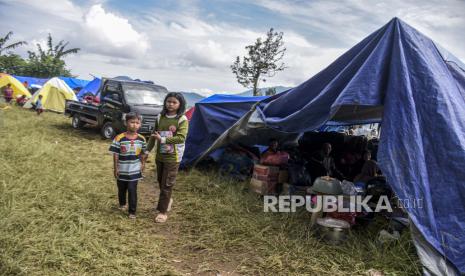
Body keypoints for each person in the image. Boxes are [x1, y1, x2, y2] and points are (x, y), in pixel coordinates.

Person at [147, 92, 188, 223]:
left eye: (174, 102)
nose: (170, 104)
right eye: (168, 101)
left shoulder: (182, 119)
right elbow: (154, 135)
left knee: (167, 184)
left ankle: (162, 212)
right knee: (160, 181)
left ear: (180, 104)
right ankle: (167, 200)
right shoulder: (160, 117)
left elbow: (181, 138)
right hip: (160, 155)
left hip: (173, 157)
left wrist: (163, 139)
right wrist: (147, 150)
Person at [109, 112, 147, 219]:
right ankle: (122, 204)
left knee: (132, 189)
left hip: (134, 170)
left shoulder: (142, 139)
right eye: (132, 122)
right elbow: (116, 154)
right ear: (126, 123)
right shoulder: (119, 138)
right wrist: (116, 168)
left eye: (137, 123)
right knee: (121, 189)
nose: (135, 125)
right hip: (122, 169)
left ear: (140, 124)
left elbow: (144, 153)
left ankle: (132, 212)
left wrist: (143, 163)